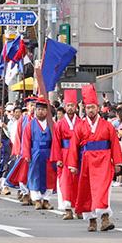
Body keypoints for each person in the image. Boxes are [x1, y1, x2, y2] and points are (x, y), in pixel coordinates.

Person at [65, 85, 122, 233]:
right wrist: (72, 164)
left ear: (97, 108)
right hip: (86, 162)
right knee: (87, 191)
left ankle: (105, 219)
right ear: (85, 108)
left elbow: (115, 143)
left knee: (103, 190)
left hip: (104, 161)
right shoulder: (80, 126)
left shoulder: (107, 126)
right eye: (88, 107)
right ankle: (91, 220)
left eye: (93, 107)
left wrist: (117, 163)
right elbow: (73, 147)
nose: (91, 110)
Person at [10, 98, 55, 210]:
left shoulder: (52, 124)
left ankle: (46, 200)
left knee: (49, 177)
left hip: (48, 153)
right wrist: (26, 155)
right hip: (35, 152)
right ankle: (37, 200)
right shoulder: (30, 124)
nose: (41, 112)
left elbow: (56, 141)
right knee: (34, 177)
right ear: (36, 111)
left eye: (43, 110)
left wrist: (55, 155)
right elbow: (26, 141)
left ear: (47, 112)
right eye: (39, 109)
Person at [50, 90, 80, 219]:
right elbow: (56, 142)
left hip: (78, 155)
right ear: (65, 106)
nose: (70, 108)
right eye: (68, 105)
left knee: (78, 182)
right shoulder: (60, 124)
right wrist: (58, 158)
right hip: (65, 154)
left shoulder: (81, 122)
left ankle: (79, 208)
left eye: (72, 105)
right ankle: (67, 209)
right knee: (65, 182)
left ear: (76, 107)